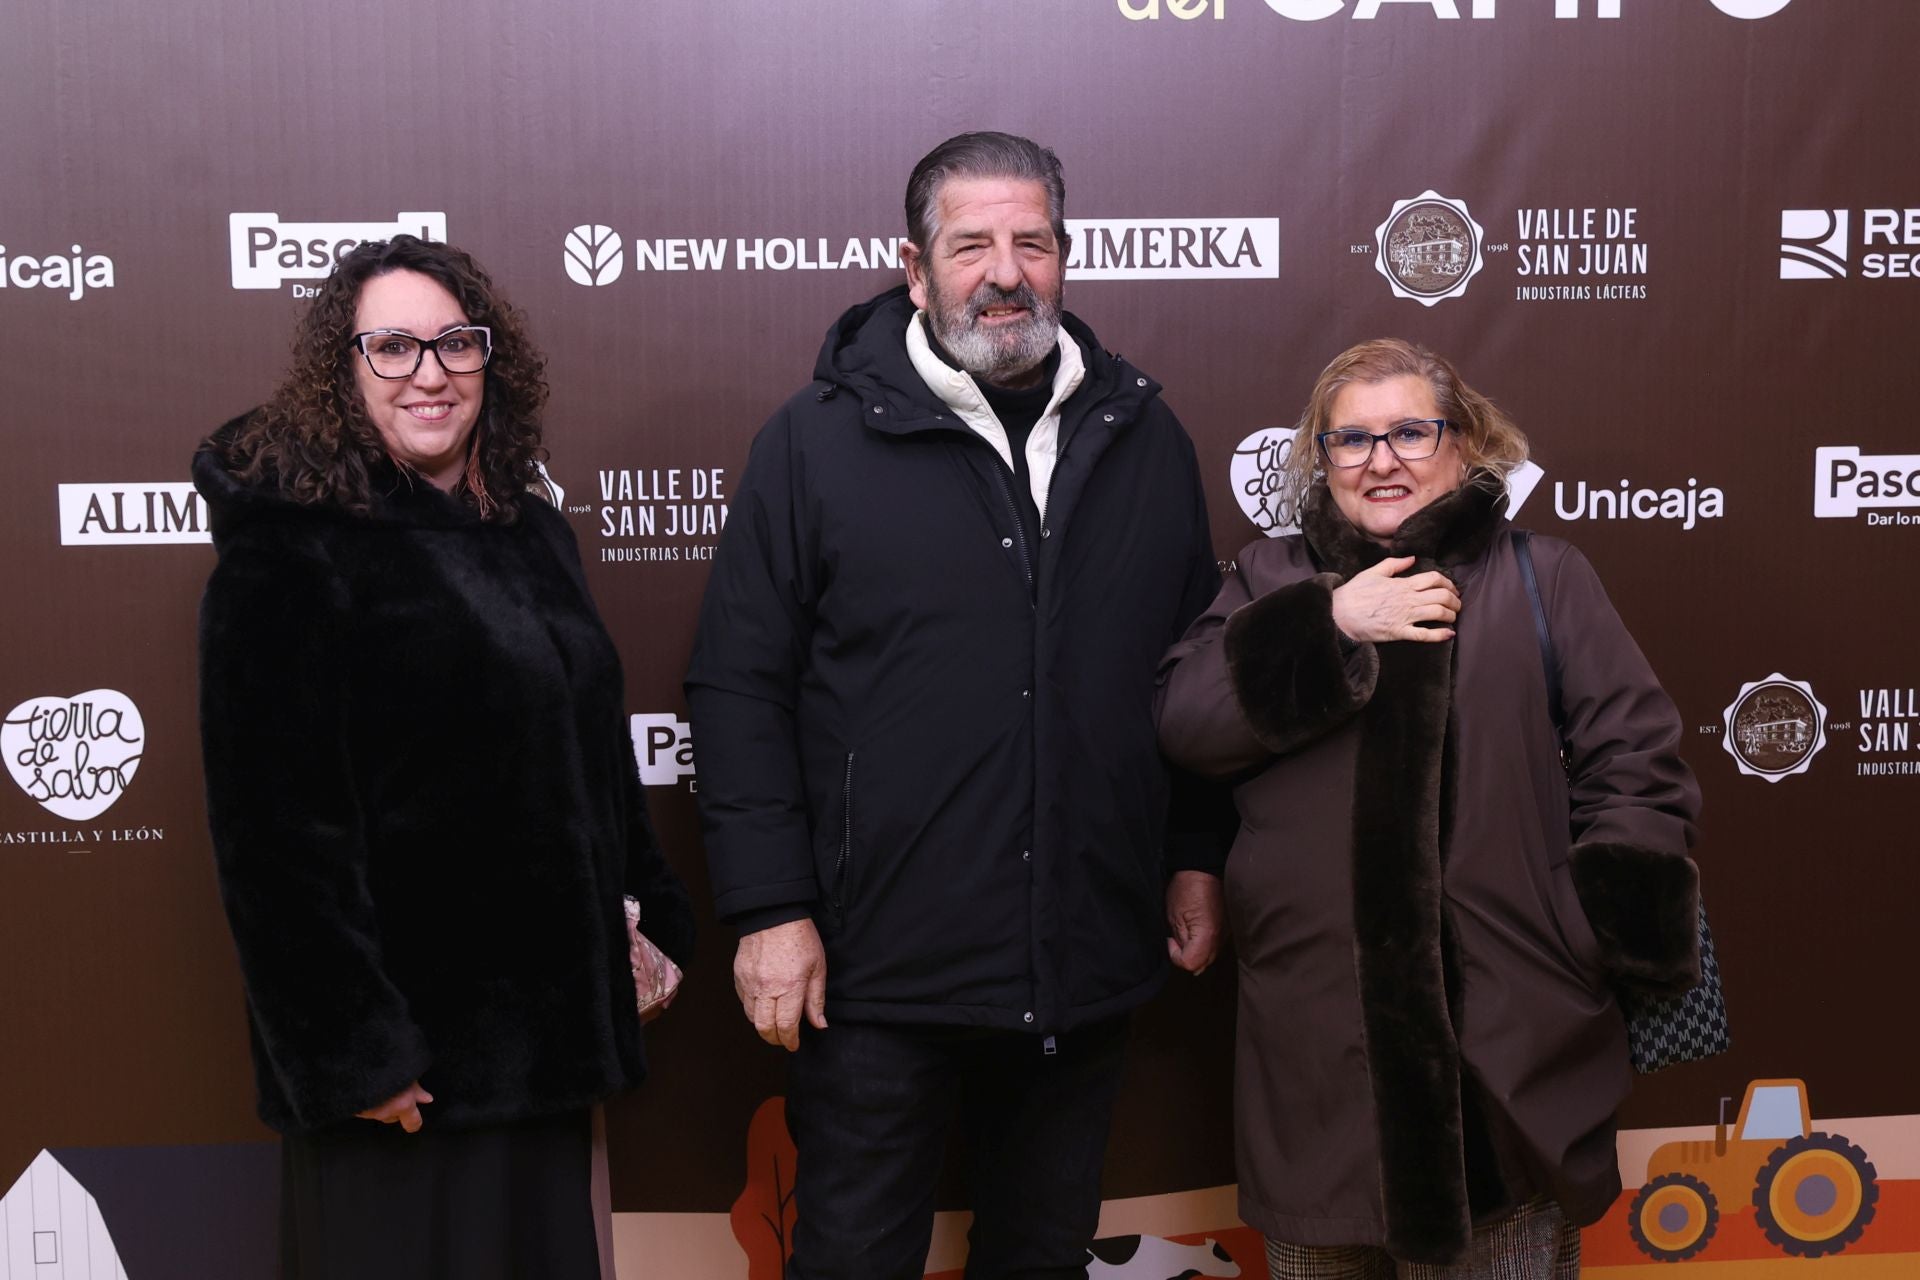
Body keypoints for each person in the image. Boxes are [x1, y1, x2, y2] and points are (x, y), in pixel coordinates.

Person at [684, 131, 1226, 1279]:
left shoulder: (1145, 437)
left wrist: (1192, 854)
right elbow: (738, 685)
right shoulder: (811, 442)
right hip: (875, 966)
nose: (1005, 272)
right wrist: (771, 906)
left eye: (1032, 242)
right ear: (916, 267)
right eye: (971, 244)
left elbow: (1193, 674)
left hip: (1081, 951)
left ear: (1065, 255)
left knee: (1042, 1257)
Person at [194, 234, 693, 1279]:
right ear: (343, 370)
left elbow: (594, 762)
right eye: (393, 346)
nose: (429, 372)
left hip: (542, 1059)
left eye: (455, 343)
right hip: (406, 1081)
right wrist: (356, 1052)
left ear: (489, 359)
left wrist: (647, 918)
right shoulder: (294, 544)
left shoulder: (534, 533)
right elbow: (274, 837)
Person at [1155, 339, 1702, 1279]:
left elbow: (1638, 764)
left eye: (1411, 431)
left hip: (1508, 1059)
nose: (1382, 460)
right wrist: (1332, 622)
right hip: (1319, 1066)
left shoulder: (1544, 575)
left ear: (1467, 442)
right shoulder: (1268, 580)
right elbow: (1186, 722)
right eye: (1352, 439)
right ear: (1321, 458)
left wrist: (1582, 935)